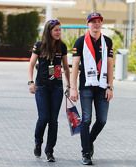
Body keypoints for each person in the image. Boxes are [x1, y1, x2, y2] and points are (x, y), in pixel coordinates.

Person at [70, 12, 114, 165]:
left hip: (102, 87)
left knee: (102, 120)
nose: (96, 24)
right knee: (86, 120)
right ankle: (86, 153)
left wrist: (110, 86)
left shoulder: (107, 41)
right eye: (93, 22)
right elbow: (75, 66)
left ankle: (89, 141)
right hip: (86, 86)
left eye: (98, 21)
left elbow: (109, 65)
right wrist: (73, 88)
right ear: (87, 24)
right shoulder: (80, 42)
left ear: (101, 23)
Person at [28, 19, 70, 162]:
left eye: (59, 29)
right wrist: (31, 82)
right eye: (56, 30)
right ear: (49, 31)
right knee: (44, 117)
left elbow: (65, 67)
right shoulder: (39, 45)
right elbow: (31, 64)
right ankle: (38, 142)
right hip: (42, 87)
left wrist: (69, 85)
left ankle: (49, 151)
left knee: (54, 121)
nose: (58, 32)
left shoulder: (62, 46)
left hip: (57, 87)